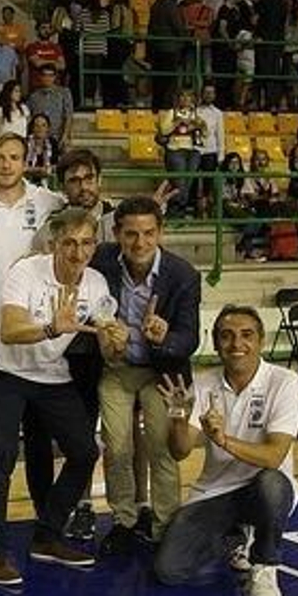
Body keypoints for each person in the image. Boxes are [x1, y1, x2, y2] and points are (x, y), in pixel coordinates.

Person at [0, 207, 121, 581]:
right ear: (54, 244)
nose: (78, 252)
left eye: (87, 243)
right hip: (4, 370)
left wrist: (118, 338)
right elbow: (9, 330)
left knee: (86, 452)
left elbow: (107, 332)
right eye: (70, 243)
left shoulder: (96, 284)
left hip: (51, 375)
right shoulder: (26, 271)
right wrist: (52, 328)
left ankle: (47, 534)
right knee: (1, 453)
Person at [152, 306, 298, 596]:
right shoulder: (204, 383)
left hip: (265, 489)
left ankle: (265, 566)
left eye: (246, 335)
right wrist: (179, 417)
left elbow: (274, 457)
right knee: (168, 571)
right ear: (216, 342)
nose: (237, 345)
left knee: (272, 483)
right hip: (216, 492)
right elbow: (180, 451)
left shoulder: (285, 382)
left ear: (261, 341)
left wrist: (222, 439)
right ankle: (237, 537)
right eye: (227, 336)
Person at [92, 196, 202, 556]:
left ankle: (165, 523)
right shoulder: (101, 261)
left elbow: (190, 338)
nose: (140, 243)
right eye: (131, 234)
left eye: (148, 233)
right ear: (117, 234)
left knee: (162, 448)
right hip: (117, 368)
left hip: (162, 373)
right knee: (117, 446)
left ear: (161, 233)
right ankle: (123, 521)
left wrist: (165, 337)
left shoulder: (183, 275)